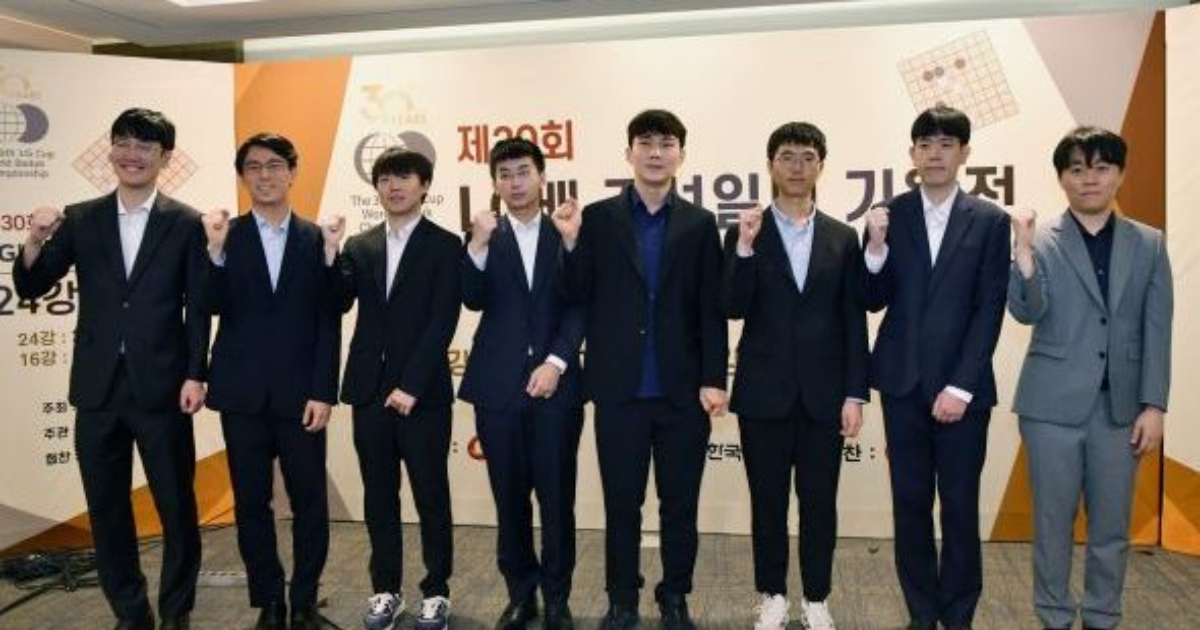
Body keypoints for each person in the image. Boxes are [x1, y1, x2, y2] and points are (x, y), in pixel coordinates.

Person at [13, 108, 207, 630]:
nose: (132, 155)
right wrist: (34, 240)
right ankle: (130, 613)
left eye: (145, 147)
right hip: (97, 390)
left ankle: (176, 613)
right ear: (111, 151)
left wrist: (196, 373)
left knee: (176, 508)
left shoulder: (186, 223)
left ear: (165, 158)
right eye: (123, 143)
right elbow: (32, 286)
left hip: (163, 388)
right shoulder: (80, 218)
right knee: (107, 509)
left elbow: (198, 308)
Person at [551, 109, 728, 630]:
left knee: (680, 506)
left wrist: (714, 378)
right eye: (645, 142)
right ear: (628, 152)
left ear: (681, 154)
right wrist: (569, 242)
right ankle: (622, 599)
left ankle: (675, 596)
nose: (655, 152)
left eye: (666, 143)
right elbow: (575, 293)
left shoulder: (699, 223)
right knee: (622, 505)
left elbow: (711, 309)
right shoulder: (598, 219)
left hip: (683, 392)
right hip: (618, 389)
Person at [1008, 126, 1171, 630]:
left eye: (1101, 167)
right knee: (1051, 524)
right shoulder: (1041, 238)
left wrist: (1154, 405)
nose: (1090, 179)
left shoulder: (1149, 243)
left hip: (1121, 410)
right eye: (1077, 169)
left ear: (1120, 174)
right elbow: (1026, 311)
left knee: (1112, 528)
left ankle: (1102, 615)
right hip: (1050, 408)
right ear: (1061, 178)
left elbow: (1157, 329)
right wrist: (1024, 256)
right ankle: (1054, 616)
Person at [862, 105, 1010, 630]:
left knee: (960, 506)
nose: (935, 154)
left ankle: (959, 614)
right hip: (902, 383)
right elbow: (872, 298)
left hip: (963, 392)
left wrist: (961, 386)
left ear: (965, 153)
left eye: (946, 144)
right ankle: (921, 614)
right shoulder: (889, 214)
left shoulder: (990, 220)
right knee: (909, 504)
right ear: (912, 153)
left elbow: (990, 307)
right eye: (925, 145)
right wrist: (874, 248)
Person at [722, 122, 869, 630]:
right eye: (787, 156)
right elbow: (732, 305)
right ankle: (772, 595)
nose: (797, 166)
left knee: (819, 505)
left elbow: (853, 319)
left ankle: (817, 597)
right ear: (771, 165)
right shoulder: (747, 230)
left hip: (825, 396)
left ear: (821, 165)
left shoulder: (842, 237)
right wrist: (743, 249)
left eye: (807, 156)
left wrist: (855, 393)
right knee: (767, 504)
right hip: (763, 393)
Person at [201, 133, 342, 630]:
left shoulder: (316, 238)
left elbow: (330, 318)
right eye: (254, 166)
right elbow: (207, 305)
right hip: (241, 394)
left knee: (310, 504)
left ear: (293, 172)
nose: (265, 175)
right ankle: (270, 601)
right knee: (251, 504)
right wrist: (214, 253)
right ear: (243, 176)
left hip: (302, 396)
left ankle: (304, 600)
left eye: (275, 165)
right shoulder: (225, 236)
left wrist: (324, 390)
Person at [459, 137, 586, 630]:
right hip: (497, 388)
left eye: (523, 172)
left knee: (556, 498)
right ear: (495, 182)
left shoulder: (567, 230)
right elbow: (471, 298)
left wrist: (556, 361)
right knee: (509, 499)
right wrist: (477, 244)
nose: (514, 183)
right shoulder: (484, 234)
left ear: (542, 177)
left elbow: (581, 302)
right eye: (505, 174)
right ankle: (520, 594)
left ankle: (557, 597)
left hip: (557, 386)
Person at [335, 147, 462, 630]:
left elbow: (442, 321)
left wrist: (411, 385)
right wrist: (328, 254)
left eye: (405, 177)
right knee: (378, 497)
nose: (394, 186)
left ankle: (437, 591)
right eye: (385, 178)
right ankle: (385, 589)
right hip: (369, 391)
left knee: (431, 495)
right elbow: (336, 302)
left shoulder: (445, 245)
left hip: (422, 395)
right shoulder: (359, 245)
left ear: (424, 185)